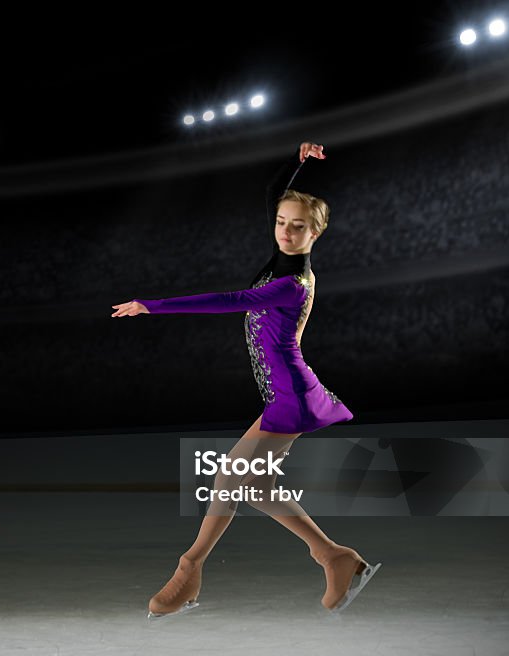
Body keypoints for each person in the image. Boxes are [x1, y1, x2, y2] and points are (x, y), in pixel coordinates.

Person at [111, 141, 380, 619]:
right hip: (282, 392)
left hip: (291, 394)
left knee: (230, 480)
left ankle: (190, 569)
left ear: (316, 235)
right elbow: (276, 195)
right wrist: (297, 160)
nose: (286, 232)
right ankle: (334, 557)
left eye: (299, 227)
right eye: (281, 223)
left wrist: (152, 305)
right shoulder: (280, 257)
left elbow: (226, 299)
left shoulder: (291, 283)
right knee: (247, 485)